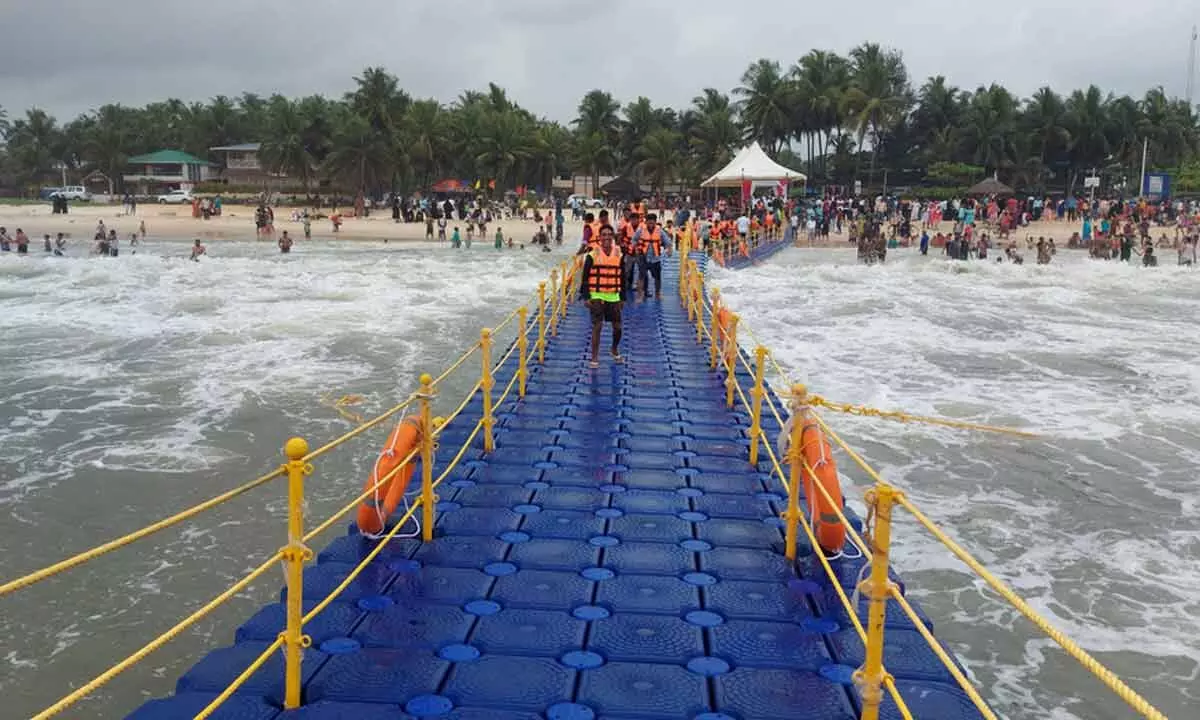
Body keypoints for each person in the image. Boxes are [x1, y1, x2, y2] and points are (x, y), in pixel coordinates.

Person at [579, 225, 624, 369]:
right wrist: (586, 296)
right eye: (604, 235)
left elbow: (623, 276)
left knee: (617, 327)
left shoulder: (618, 253)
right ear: (599, 237)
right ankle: (594, 357)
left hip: (613, 295)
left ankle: (614, 349)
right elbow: (585, 277)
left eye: (609, 235)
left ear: (613, 237)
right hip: (596, 294)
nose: (607, 237)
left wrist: (622, 297)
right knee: (597, 326)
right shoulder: (593, 254)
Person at [632, 213, 668, 299]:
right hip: (643, 257)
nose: (651, 225)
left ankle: (657, 294)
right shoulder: (640, 230)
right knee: (641, 276)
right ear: (646, 222)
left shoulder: (660, 231)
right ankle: (640, 295)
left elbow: (667, 241)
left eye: (652, 223)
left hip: (655, 258)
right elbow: (634, 240)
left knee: (657, 278)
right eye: (649, 223)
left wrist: (668, 249)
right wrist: (636, 248)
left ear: (655, 222)